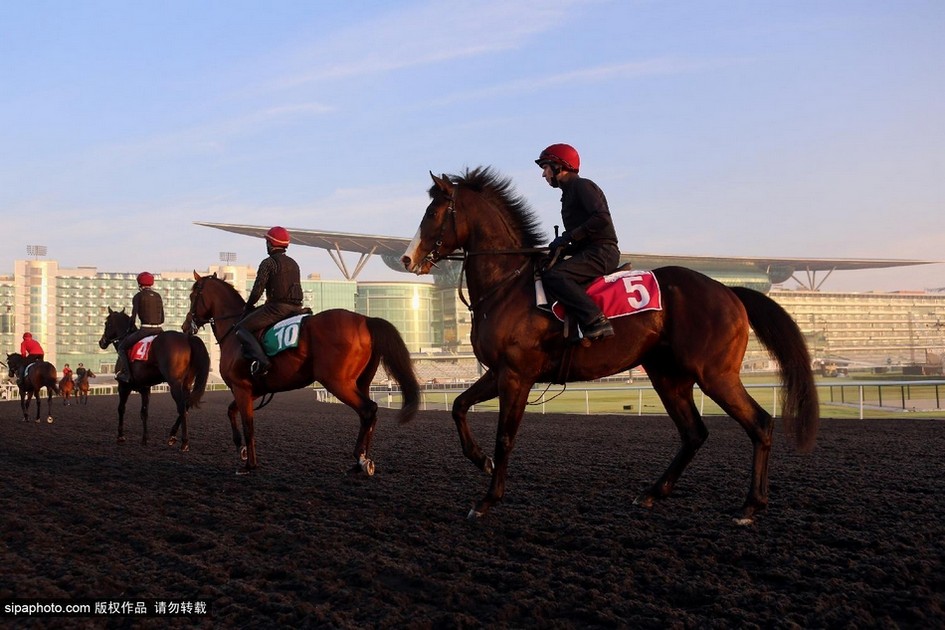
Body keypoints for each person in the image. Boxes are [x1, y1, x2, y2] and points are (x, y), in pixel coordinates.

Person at [536, 143, 620, 340]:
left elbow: (601, 218)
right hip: (590, 251)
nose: (544, 174)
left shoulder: (582, 186)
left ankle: (596, 320)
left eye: (546, 168)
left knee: (555, 276)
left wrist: (569, 237)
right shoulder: (568, 194)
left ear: (558, 166)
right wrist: (562, 247)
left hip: (602, 252)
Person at [234, 226, 307, 377]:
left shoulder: (268, 263)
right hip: (297, 308)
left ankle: (262, 362)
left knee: (241, 328)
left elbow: (257, 290)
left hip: (278, 308)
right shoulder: (294, 263)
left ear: (270, 243)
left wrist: (248, 306)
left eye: (267, 242)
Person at [114, 272, 164, 383]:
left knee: (122, 348)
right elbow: (162, 319)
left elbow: (133, 317)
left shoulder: (138, 296)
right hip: (159, 329)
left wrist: (129, 328)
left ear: (139, 284)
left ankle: (126, 374)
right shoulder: (158, 296)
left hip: (145, 330)